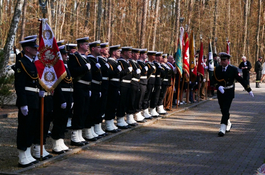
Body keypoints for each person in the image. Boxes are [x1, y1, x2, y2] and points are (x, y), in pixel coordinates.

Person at [213, 52, 254, 137]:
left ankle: (222, 128)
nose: (222, 62)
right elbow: (213, 80)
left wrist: (248, 89)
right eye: (222, 60)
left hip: (229, 92)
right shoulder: (217, 69)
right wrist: (218, 87)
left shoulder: (233, 69)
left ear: (228, 61)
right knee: (222, 109)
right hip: (221, 92)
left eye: (224, 60)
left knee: (225, 108)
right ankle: (228, 123)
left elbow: (240, 79)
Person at [14, 38, 41, 167]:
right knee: (24, 128)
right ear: (27, 49)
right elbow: (19, 85)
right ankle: (21, 155)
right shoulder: (22, 63)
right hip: (27, 99)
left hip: (34, 98)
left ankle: (28, 153)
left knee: (32, 127)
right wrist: (23, 103)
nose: (37, 49)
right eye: (34, 47)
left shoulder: (32, 62)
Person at [68, 37, 91, 146]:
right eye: (86, 44)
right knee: (78, 111)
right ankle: (74, 136)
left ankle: (79, 134)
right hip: (79, 86)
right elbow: (73, 71)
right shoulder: (74, 57)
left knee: (84, 111)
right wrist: (84, 68)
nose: (87, 46)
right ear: (81, 45)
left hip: (86, 87)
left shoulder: (85, 58)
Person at [51, 45, 72, 154]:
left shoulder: (65, 66)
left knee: (64, 120)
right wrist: (61, 99)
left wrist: (71, 99)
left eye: (66, 54)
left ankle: (60, 141)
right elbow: (57, 85)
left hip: (68, 95)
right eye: (64, 54)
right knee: (58, 120)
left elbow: (70, 82)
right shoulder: (57, 66)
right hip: (61, 95)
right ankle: (55, 143)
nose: (66, 56)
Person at [105, 45, 122, 132]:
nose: (120, 53)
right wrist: (117, 71)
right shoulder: (110, 62)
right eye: (118, 51)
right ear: (114, 53)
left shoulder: (115, 62)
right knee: (110, 105)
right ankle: (108, 124)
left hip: (116, 86)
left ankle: (111, 122)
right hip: (111, 86)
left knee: (114, 105)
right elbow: (109, 74)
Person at [116, 46, 133, 129]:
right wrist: (127, 70)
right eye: (129, 52)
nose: (130, 54)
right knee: (121, 103)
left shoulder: (128, 62)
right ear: (125, 53)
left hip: (128, 84)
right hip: (122, 84)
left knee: (126, 102)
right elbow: (120, 74)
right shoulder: (120, 62)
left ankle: (123, 118)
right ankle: (120, 119)